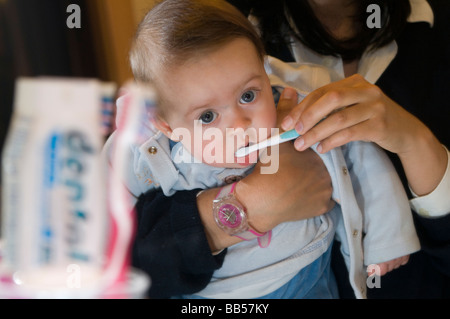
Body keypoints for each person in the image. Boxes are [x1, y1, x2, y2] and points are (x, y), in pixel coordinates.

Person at [105, 0, 420, 298]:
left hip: (308, 275)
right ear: (166, 126)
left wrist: (387, 238)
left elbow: (361, 156)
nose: (240, 124)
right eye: (208, 116)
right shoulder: (148, 152)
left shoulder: (301, 109)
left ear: (265, 71)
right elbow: (108, 226)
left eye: (248, 96)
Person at [227, 0, 450, 298]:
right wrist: (241, 209)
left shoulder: (436, 33)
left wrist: (417, 143)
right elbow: (154, 256)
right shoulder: (220, 32)